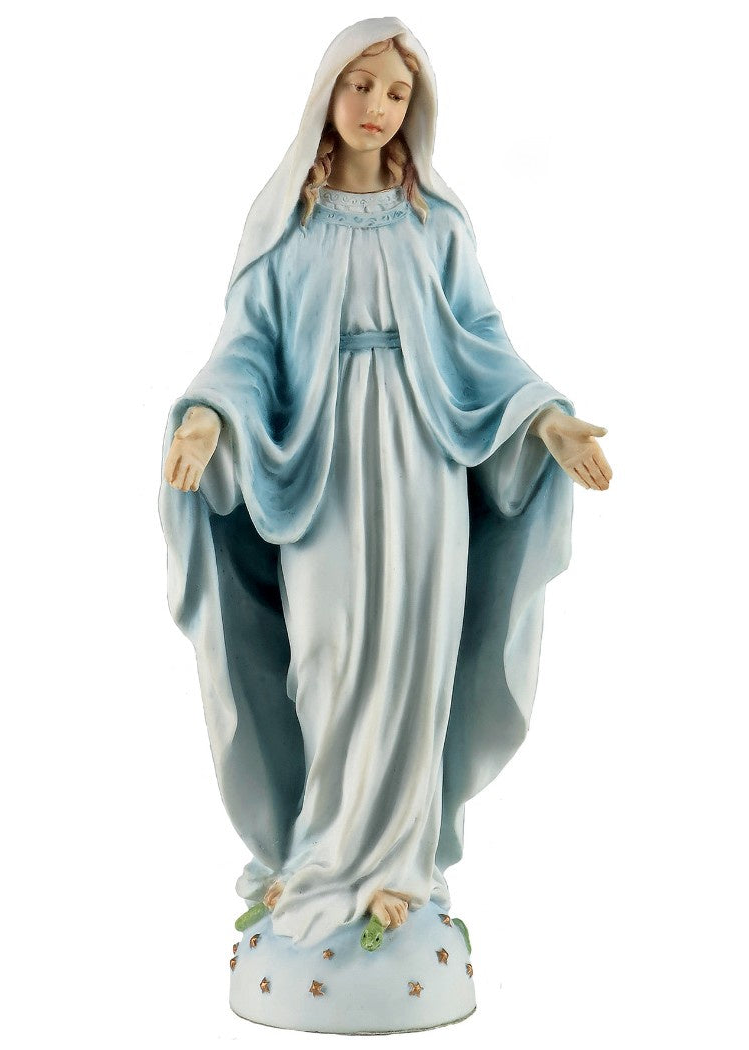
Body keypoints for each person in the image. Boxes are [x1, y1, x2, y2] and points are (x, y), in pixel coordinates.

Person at [160, 16, 611, 950]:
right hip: (319, 468)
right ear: (327, 91)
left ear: (418, 107)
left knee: (414, 655)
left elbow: (480, 341)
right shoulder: (286, 225)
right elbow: (247, 346)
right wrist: (208, 416)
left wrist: (543, 416)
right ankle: (322, 852)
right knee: (326, 655)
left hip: (421, 466)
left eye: (397, 93)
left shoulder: (434, 223)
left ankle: (400, 867)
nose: (377, 106)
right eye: (360, 85)